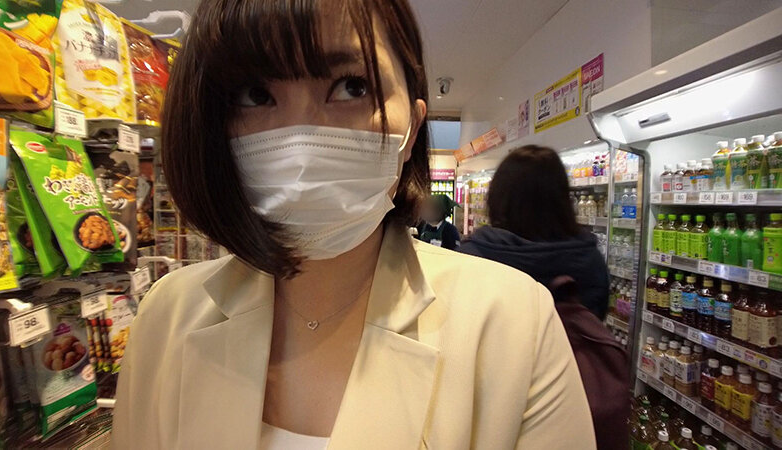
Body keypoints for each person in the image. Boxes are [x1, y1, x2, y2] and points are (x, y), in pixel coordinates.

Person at [113, 1, 595, 449]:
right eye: (255, 94)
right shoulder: (166, 318)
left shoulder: (515, 326)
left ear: (413, 127)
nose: (302, 142)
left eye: (352, 87)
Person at [459, 145, 610, 319]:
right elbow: (596, 315)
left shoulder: (473, 256)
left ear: (497, 197)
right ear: (562, 198)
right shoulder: (590, 260)